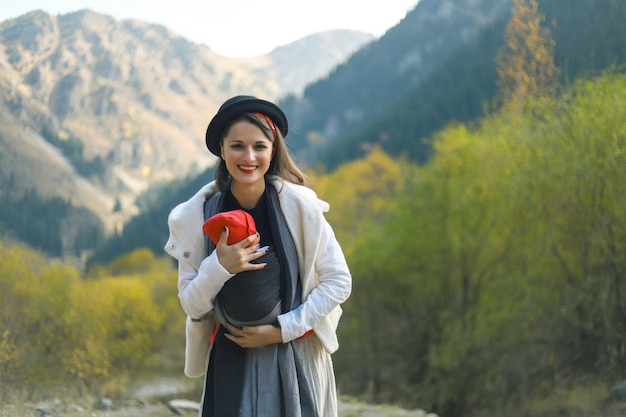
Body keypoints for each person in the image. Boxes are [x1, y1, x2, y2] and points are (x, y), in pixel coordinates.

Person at [164, 95, 352, 417]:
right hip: (230, 356)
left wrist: (283, 329)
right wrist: (219, 267)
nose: (248, 157)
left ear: (273, 150)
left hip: (297, 354)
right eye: (237, 145)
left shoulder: (301, 209)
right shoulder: (195, 218)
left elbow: (339, 281)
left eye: (259, 146)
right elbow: (192, 305)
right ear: (221, 150)